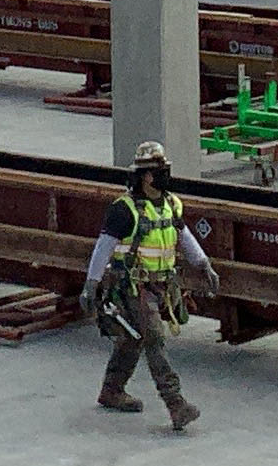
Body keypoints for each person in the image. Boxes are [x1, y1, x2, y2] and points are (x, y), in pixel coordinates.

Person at [84, 144, 212, 430]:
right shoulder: (123, 210)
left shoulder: (171, 203)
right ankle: (176, 404)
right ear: (147, 177)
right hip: (133, 287)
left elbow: (183, 234)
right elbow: (102, 249)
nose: (168, 175)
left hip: (162, 286)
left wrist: (203, 264)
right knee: (154, 338)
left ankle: (112, 390)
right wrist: (90, 285)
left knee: (133, 338)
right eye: (162, 171)